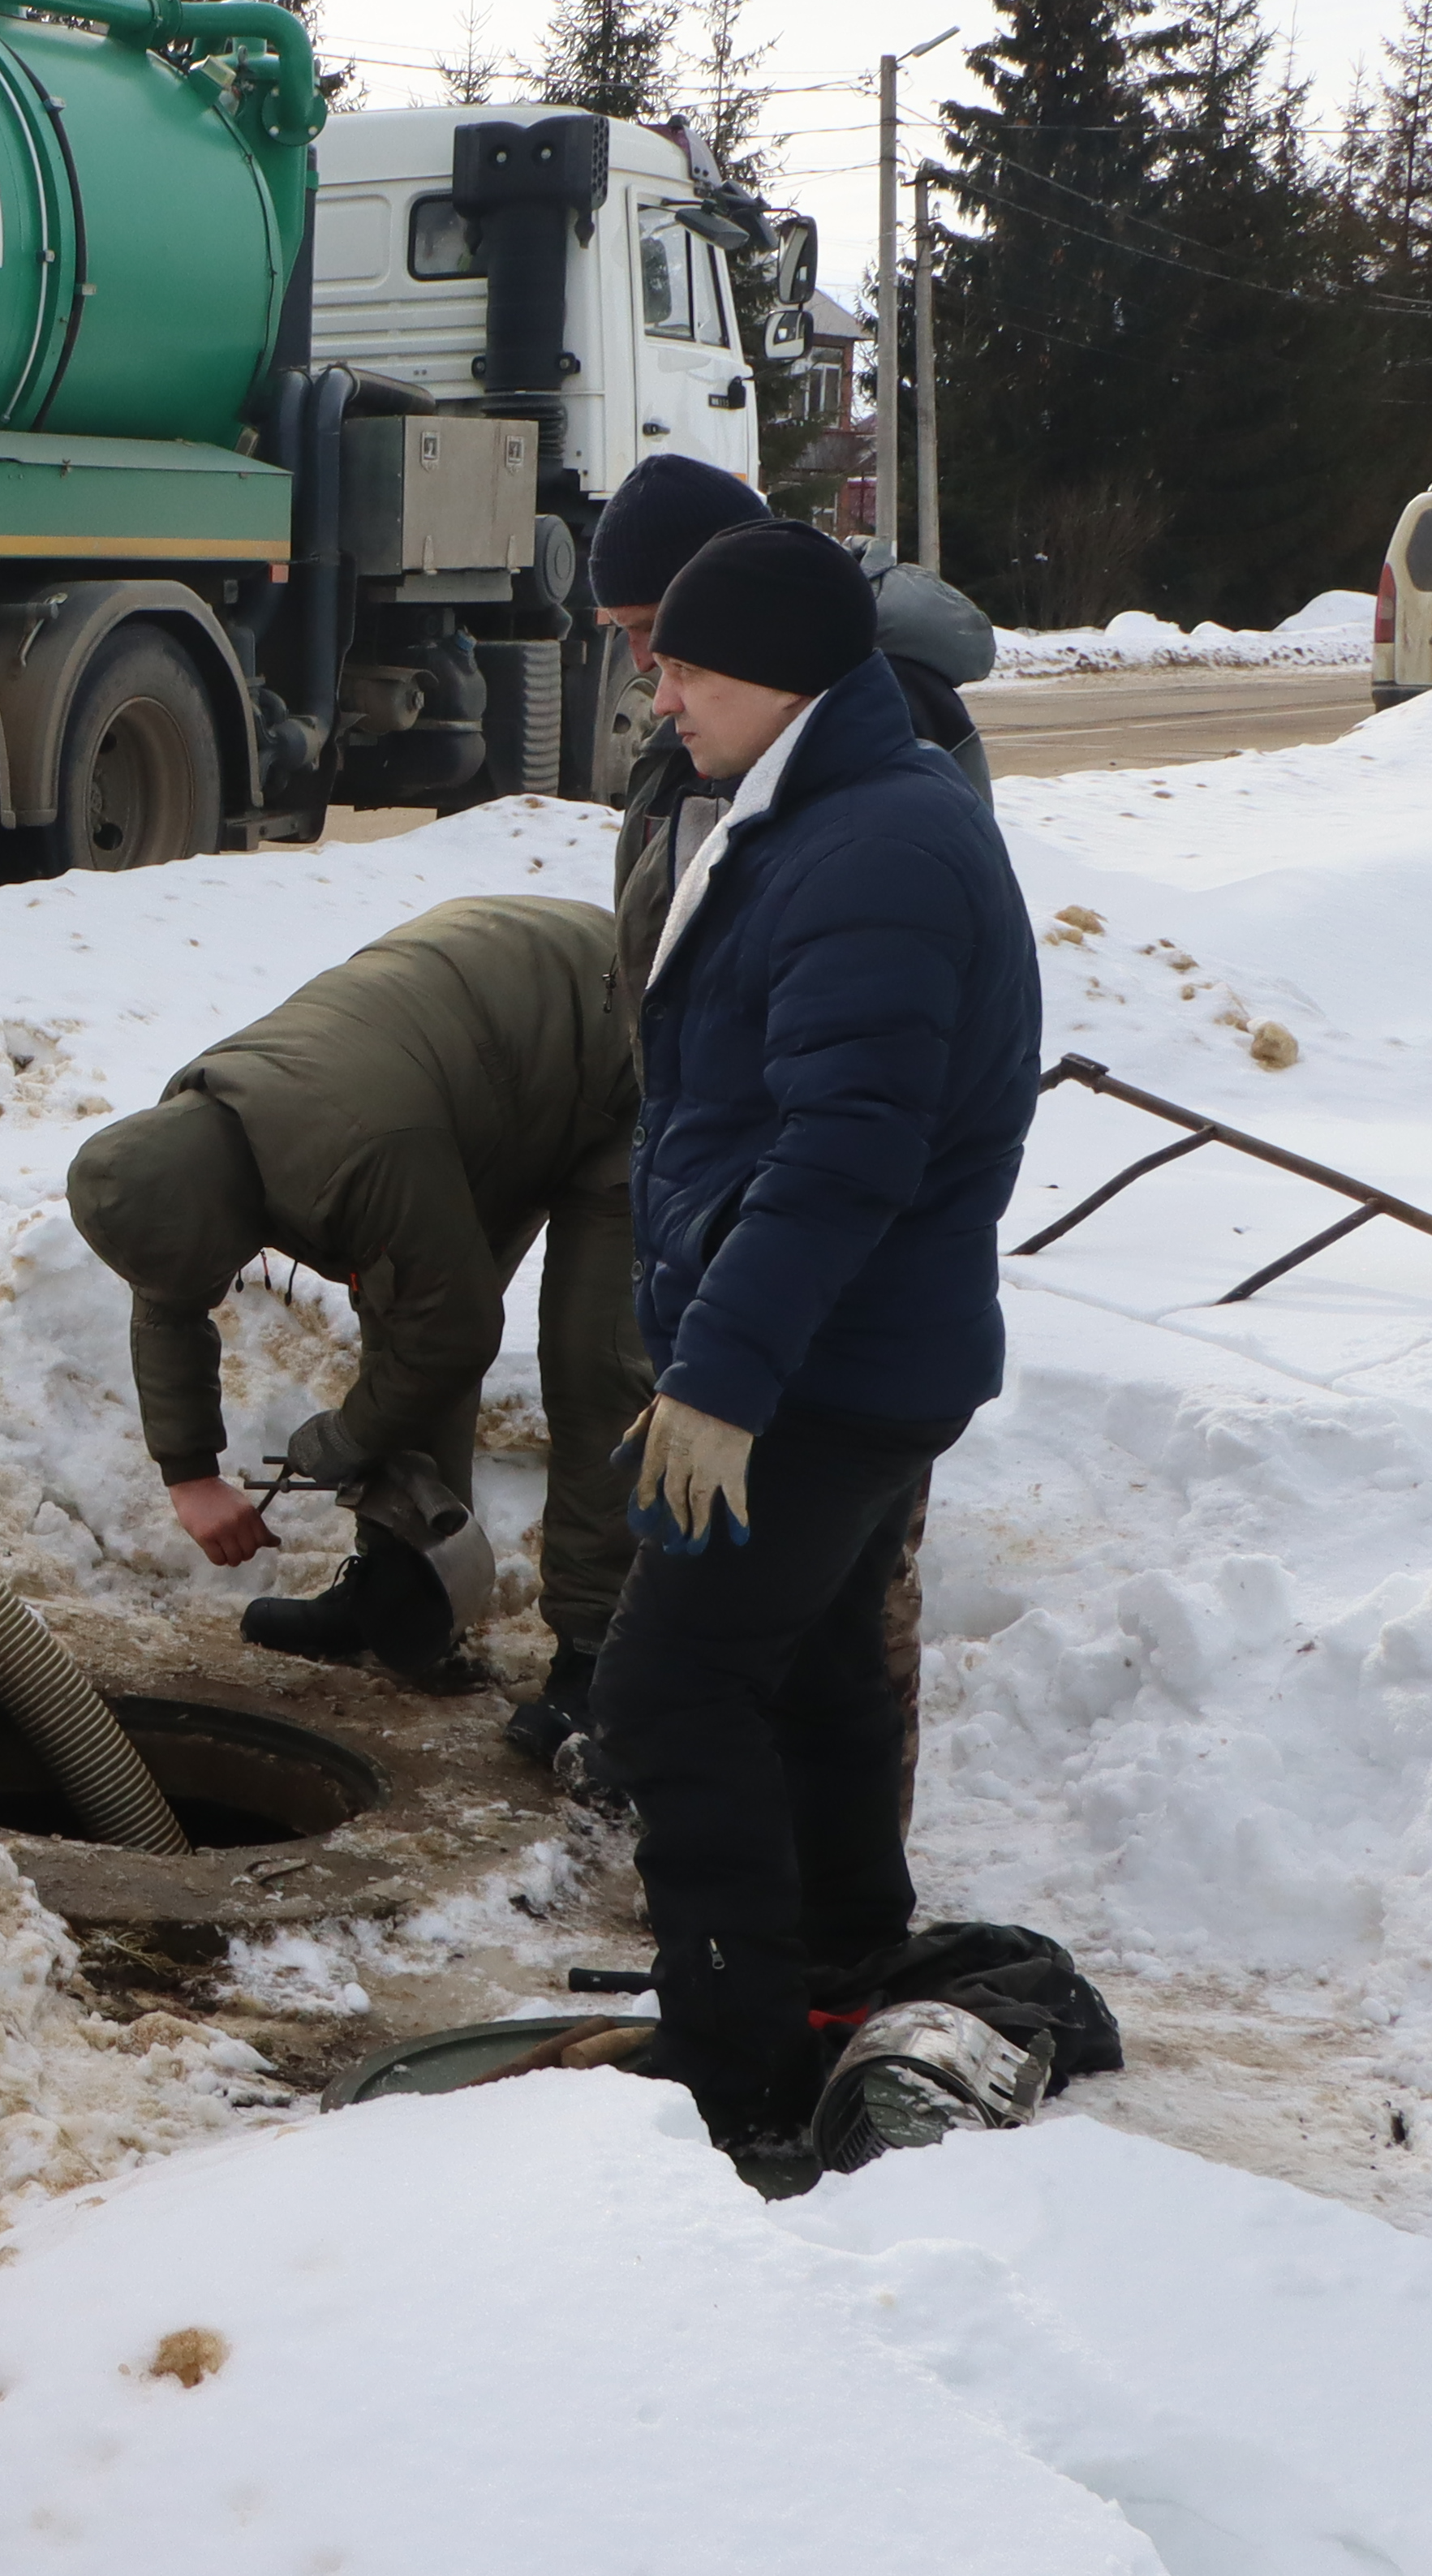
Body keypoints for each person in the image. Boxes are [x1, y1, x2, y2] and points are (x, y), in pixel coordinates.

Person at [598, 518, 1039, 2150]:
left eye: (686, 668)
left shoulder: (874, 849)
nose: (660, 699)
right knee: (807, 1669)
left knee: (667, 1688)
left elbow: (841, 1149)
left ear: (780, 677)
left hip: (821, 1366)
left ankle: (730, 2063)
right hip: (843, 1352)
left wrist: (717, 1382)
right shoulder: (822, 811)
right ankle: (834, 1971)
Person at [568, 454, 1007, 1790]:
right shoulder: (704, 748)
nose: (650, 678)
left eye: (660, 643)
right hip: (745, 1254)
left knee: (833, 1639)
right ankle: (813, 1922)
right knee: (777, 1657)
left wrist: (738, 1349)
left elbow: (861, 1102)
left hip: (831, 1300)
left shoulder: (875, 791)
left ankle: (799, 1928)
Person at [62, 895, 649, 1687]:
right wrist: (188, 1471)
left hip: (617, 1034)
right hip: (476, 1065)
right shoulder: (180, 1147)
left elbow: (452, 1334)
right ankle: (405, 1597)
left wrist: (346, 1437)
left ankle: (598, 1659)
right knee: (407, 1318)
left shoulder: (359, 1153)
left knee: (594, 1358)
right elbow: (167, 1285)